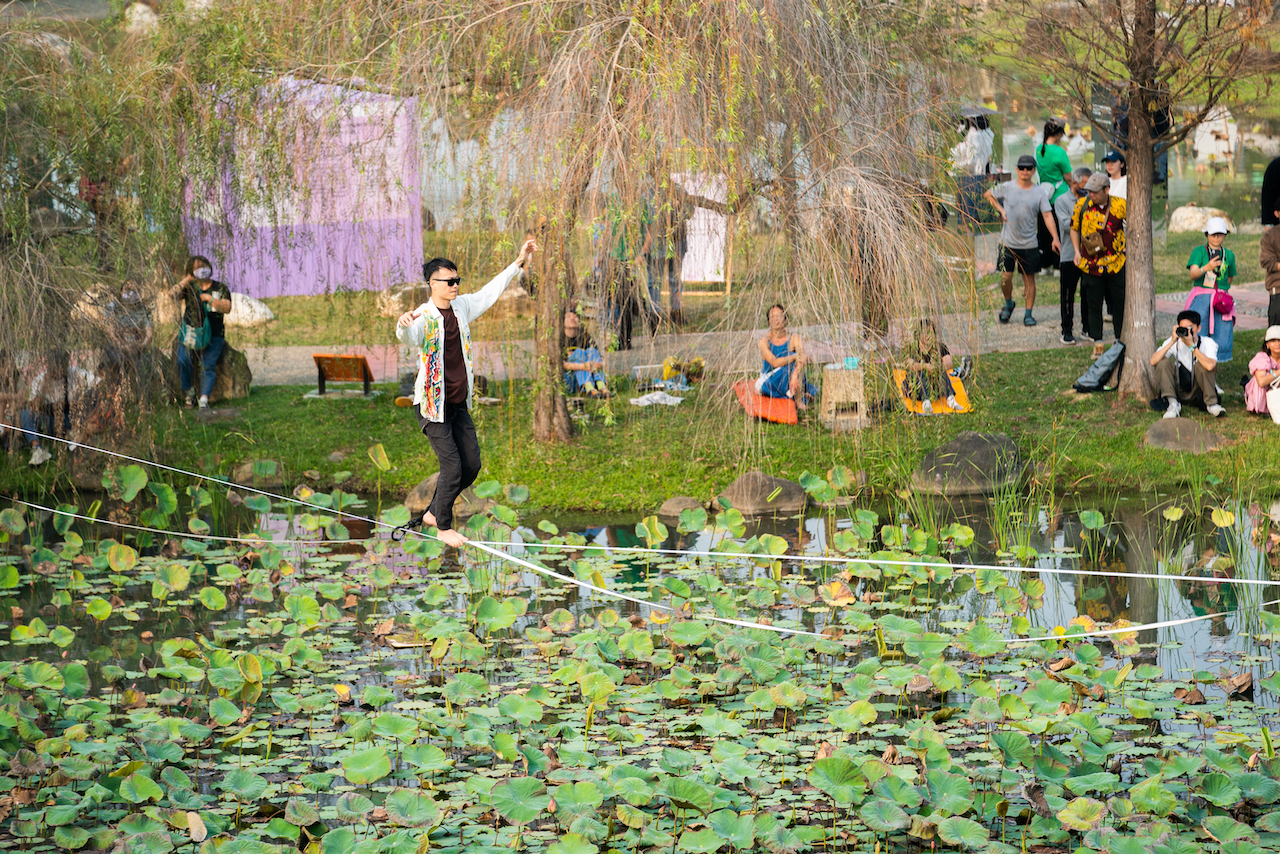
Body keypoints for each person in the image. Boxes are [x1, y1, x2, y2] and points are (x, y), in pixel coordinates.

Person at [396, 237, 538, 547]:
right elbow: (408, 335)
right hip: (433, 407)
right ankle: (442, 526)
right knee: (452, 466)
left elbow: (490, 292)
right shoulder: (423, 316)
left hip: (459, 404)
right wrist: (403, 323)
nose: (455, 285)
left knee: (471, 465)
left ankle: (434, 511)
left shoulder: (461, 307)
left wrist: (518, 261)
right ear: (433, 284)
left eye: (457, 280)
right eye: (449, 281)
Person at [984, 155, 1061, 326]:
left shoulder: (1039, 192)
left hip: (1029, 243)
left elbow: (1047, 215)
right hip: (1008, 242)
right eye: (1022, 168)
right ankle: (1008, 303)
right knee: (1006, 277)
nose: (1025, 171)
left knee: (1029, 279)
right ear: (1017, 170)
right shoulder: (1007, 187)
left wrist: (1055, 238)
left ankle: (1028, 314)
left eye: (1029, 168)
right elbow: (988, 194)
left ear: (1034, 171)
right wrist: (1000, 210)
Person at [1071, 172, 1127, 353]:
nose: (1091, 195)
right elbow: (1073, 229)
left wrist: (1128, 246)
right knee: (1093, 303)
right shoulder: (1082, 204)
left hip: (1115, 263)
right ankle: (1098, 341)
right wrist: (1076, 251)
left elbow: (1135, 225)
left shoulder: (1120, 204)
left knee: (1120, 303)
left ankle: (1120, 340)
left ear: (1106, 190)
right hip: (1090, 264)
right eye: (1089, 191)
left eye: (1095, 192)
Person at [170, 255, 231, 410]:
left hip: (214, 333)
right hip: (190, 332)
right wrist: (186, 280)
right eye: (197, 268)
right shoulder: (189, 288)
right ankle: (190, 392)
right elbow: (172, 295)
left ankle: (204, 400)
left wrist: (209, 298)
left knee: (207, 365)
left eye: (203, 266)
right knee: (182, 361)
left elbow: (227, 307)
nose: (202, 269)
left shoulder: (220, 287)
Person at [1149, 309, 1225, 419]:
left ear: (1198, 328)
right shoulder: (1174, 342)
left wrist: (1192, 347)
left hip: (1199, 389)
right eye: (1183, 328)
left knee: (1202, 364)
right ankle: (1173, 404)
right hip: (1179, 386)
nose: (1186, 332)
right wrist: (1171, 342)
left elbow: (1210, 365)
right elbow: (1153, 361)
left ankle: (1211, 404)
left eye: (1189, 328)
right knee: (1162, 363)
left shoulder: (1208, 343)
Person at [639, 186, 693, 327]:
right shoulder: (648, 192)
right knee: (654, 282)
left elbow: (690, 212)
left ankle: (676, 312)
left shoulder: (679, 190)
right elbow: (647, 219)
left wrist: (680, 205)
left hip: (677, 242)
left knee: (675, 280)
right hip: (656, 245)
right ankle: (654, 316)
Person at [1184, 216, 1236, 362]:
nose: (1216, 237)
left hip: (1221, 300)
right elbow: (1193, 274)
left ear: (1225, 235)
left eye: (1220, 234)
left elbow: (1229, 278)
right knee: (1199, 329)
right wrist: (1206, 268)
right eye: (1213, 234)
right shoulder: (1199, 252)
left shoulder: (1229, 255)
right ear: (1207, 234)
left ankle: (1214, 367)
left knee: (1222, 332)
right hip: (1202, 298)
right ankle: (1195, 363)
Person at [1056, 167, 1093, 345]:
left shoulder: (1092, 199)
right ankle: (1067, 330)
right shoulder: (1062, 201)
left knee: (1089, 293)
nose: (1088, 189)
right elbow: (1066, 226)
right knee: (1068, 295)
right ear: (1074, 183)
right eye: (1085, 185)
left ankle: (1088, 327)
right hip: (1069, 255)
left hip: (1090, 254)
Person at [756, 303, 816, 407]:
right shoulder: (764, 341)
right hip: (770, 380)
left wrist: (794, 375)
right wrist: (794, 356)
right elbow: (774, 362)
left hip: (791, 379)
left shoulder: (794, 338)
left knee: (797, 363)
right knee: (794, 358)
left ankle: (797, 398)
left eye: (779, 316)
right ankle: (797, 395)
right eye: (772, 317)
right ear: (769, 322)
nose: (776, 319)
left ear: (785, 319)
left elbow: (803, 358)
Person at [1035, 118, 1073, 271]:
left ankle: (1045, 265)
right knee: (1060, 231)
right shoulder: (1059, 152)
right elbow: (1069, 177)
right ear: (1057, 134)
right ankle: (1059, 264)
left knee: (1044, 231)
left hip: (1043, 195)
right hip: (1059, 196)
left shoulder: (1038, 149)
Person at [951, 115, 994, 234]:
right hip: (980, 173)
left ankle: (966, 227)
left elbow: (972, 160)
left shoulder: (975, 137)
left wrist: (957, 165)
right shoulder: (988, 135)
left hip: (970, 173)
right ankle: (967, 225)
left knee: (966, 201)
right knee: (970, 201)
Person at [562, 309, 608, 397]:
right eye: (568, 317)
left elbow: (599, 357)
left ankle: (601, 386)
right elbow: (559, 364)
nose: (572, 319)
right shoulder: (560, 338)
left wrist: (598, 364)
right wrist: (583, 366)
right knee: (579, 352)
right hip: (569, 381)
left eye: (575, 317)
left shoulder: (584, 335)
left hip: (589, 375)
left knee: (592, 350)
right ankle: (589, 389)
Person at [1245, 325, 1280, 417]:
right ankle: (1262, 408)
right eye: (1273, 340)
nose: (1277, 344)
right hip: (1264, 390)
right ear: (1267, 344)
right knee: (1261, 379)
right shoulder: (1263, 358)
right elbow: (1261, 381)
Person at [1258, 205, 1280, 327]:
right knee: (1276, 332)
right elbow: (1268, 262)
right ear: (1276, 213)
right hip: (1278, 287)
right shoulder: (1269, 236)